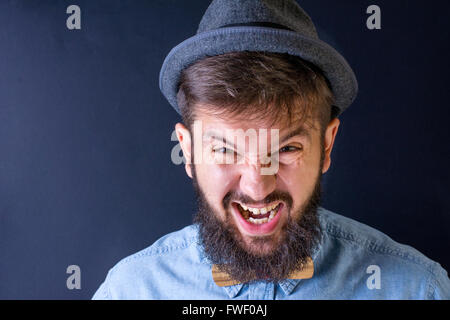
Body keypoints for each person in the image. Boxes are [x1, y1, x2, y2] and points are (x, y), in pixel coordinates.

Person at [93, 0, 450, 299]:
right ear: (188, 151)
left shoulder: (420, 291)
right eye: (225, 151)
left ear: (326, 146)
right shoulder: (129, 292)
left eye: (286, 149)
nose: (256, 187)